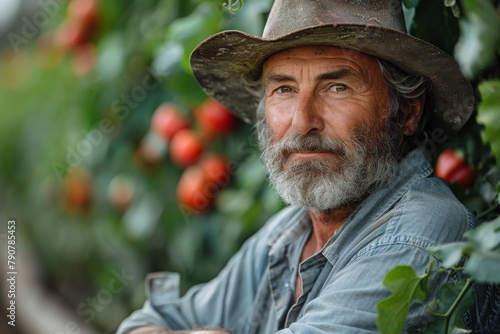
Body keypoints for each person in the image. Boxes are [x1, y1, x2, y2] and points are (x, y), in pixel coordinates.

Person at [117, 0, 476, 333]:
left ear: (408, 113)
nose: (303, 122)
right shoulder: (285, 236)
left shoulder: (423, 232)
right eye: (284, 90)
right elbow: (149, 320)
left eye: (337, 87)